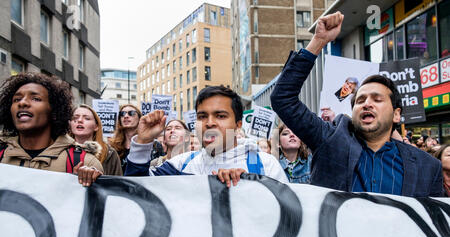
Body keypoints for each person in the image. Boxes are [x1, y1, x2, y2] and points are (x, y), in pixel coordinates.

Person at [270, 12, 443, 197]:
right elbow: (283, 98)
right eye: (360, 100)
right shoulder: (330, 139)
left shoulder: (428, 167)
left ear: (396, 114)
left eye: (377, 99)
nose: (367, 103)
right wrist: (318, 41)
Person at [125, 85, 288, 187]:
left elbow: (288, 218)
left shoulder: (265, 165)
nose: (209, 123)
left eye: (221, 116)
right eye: (202, 116)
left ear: (238, 124)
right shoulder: (181, 164)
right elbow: (136, 190)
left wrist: (248, 184)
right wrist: (143, 141)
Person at [0, 73, 103, 181]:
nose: (22, 103)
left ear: (54, 110)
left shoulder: (84, 162)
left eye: (35, 98)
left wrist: (81, 183)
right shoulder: (2, 155)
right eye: (17, 99)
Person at [70, 104, 122, 175]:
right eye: (75, 118)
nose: (79, 120)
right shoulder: (60, 150)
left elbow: (117, 183)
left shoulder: (109, 153)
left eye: (87, 118)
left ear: (96, 126)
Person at [108, 104, 142, 173]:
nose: (126, 116)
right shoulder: (111, 146)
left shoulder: (153, 145)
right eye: (122, 114)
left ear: (139, 118)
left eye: (131, 113)